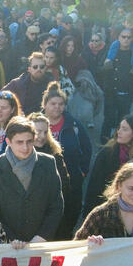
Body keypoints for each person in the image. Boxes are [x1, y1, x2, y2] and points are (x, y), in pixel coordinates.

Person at [0, 116, 65, 242]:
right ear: (8, 141)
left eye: (29, 141)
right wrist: (10, 238)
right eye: (19, 142)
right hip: (6, 245)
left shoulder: (48, 163)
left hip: (41, 244)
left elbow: (56, 205)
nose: (25, 147)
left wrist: (42, 236)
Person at [40, 83, 93, 237]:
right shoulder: (34, 123)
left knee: (68, 219)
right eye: (53, 104)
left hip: (70, 182)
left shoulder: (74, 125)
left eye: (61, 104)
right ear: (44, 104)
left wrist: (82, 172)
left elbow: (87, 149)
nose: (57, 107)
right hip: (43, 183)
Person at [76, 162, 133, 241]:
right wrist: (91, 242)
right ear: (119, 186)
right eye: (131, 188)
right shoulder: (101, 214)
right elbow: (77, 246)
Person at [83, 114, 133, 217]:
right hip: (107, 210)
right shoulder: (107, 153)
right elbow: (94, 187)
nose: (118, 131)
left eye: (124, 129)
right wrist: (89, 213)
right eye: (119, 127)